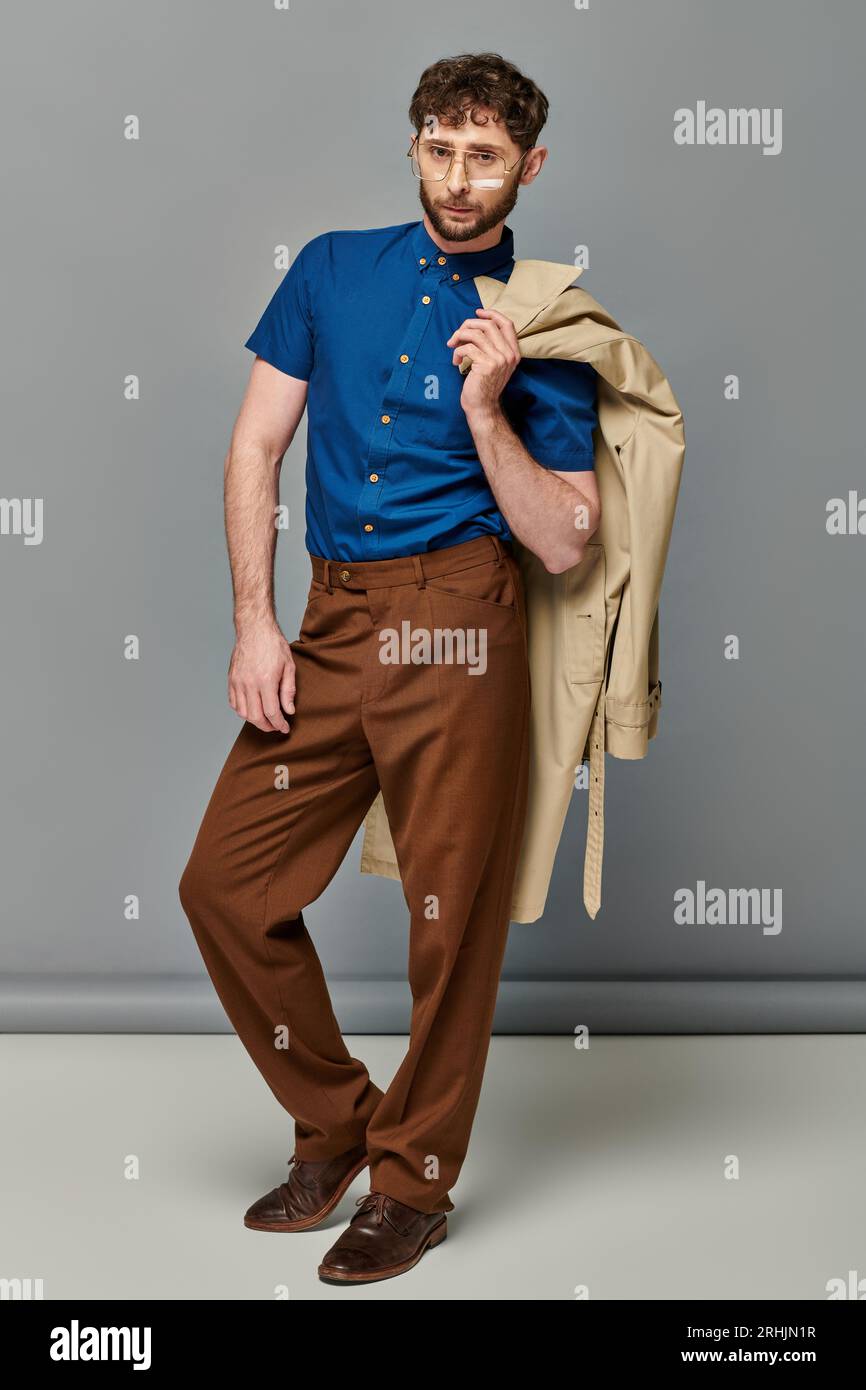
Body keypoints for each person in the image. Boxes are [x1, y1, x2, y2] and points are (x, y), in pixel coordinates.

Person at [178, 51, 601, 1286]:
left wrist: (487, 408)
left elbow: (569, 538)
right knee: (224, 882)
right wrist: (257, 624)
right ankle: (337, 1117)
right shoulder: (327, 268)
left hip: (458, 619)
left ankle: (414, 1181)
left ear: (528, 166)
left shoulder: (543, 315)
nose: (458, 178)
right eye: (439, 147)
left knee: (446, 922)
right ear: (413, 144)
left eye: (485, 157)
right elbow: (255, 449)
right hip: (328, 616)